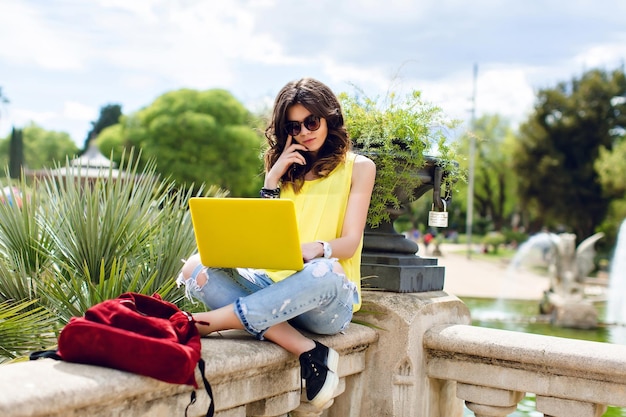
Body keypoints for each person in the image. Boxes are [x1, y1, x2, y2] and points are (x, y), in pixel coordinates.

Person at [176, 77, 376, 408]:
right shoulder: (281, 169)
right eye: (294, 127)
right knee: (195, 267)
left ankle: (208, 324)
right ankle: (308, 351)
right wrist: (271, 182)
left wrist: (317, 248)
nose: (305, 132)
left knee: (325, 270)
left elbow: (351, 243)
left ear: (329, 118)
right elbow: (266, 239)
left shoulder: (360, 168)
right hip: (274, 289)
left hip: (324, 301)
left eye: (312, 121)